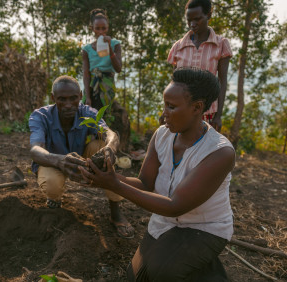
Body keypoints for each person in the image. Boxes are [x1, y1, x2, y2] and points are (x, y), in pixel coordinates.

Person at [80, 68, 236, 281]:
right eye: (164, 105)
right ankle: (195, 265)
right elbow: (144, 183)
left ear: (197, 107)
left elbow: (175, 206)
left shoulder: (219, 152)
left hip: (204, 228)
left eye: (171, 107)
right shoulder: (163, 135)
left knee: (162, 272)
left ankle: (211, 273)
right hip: (167, 222)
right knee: (135, 277)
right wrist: (103, 176)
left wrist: (115, 185)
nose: (164, 114)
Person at [29, 75, 134, 238]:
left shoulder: (87, 113)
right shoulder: (41, 116)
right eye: (62, 99)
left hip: (81, 160)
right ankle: (55, 199)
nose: (69, 104)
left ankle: (116, 211)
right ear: (53, 98)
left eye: (73, 98)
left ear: (80, 96)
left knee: (100, 147)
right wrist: (59, 160)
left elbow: (109, 134)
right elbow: (35, 150)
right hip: (54, 162)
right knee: (51, 184)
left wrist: (111, 148)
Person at [166, 0, 232, 132]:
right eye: (189, 20)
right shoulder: (178, 47)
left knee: (204, 151)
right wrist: (166, 110)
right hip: (181, 113)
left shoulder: (220, 44)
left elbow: (222, 82)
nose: (192, 24)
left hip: (207, 114)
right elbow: (174, 83)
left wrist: (218, 115)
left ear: (209, 15)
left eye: (197, 19)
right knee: (181, 149)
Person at [82, 8, 122, 111]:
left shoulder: (115, 44)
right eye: (97, 28)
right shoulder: (86, 50)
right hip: (92, 86)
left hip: (107, 87)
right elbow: (86, 74)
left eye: (103, 28)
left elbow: (118, 68)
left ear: (107, 28)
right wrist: (88, 97)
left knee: (105, 114)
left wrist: (109, 48)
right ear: (92, 28)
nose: (100, 32)